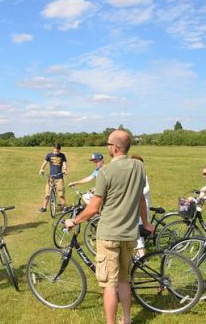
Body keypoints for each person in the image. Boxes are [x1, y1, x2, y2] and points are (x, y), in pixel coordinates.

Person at [65, 130, 154, 324]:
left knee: (109, 285)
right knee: (124, 280)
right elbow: (140, 199)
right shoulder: (139, 167)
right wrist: (146, 223)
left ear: (115, 147)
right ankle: (127, 319)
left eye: (107, 144)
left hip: (109, 235)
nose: (107, 147)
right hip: (129, 235)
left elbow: (94, 208)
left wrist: (74, 221)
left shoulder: (105, 171)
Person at [131, 155, 152, 257]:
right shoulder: (135, 174)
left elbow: (145, 189)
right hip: (136, 205)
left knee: (137, 229)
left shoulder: (143, 175)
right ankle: (139, 252)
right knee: (137, 229)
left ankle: (141, 254)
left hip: (142, 206)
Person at [38, 143, 67, 213]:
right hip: (50, 177)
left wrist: (65, 170)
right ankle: (44, 207)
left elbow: (64, 164)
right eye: (55, 150)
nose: (56, 152)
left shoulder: (62, 155)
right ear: (53, 148)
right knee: (47, 194)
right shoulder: (49, 155)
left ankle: (64, 207)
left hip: (59, 177)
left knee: (61, 194)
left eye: (58, 151)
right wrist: (41, 169)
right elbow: (44, 163)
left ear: (60, 149)